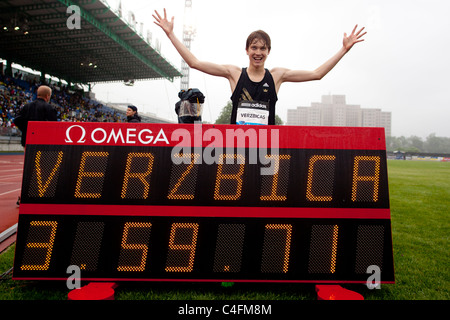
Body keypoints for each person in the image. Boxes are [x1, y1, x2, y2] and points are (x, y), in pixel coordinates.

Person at [153, 9, 366, 125]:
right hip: (237, 146)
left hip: (266, 149)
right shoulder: (234, 73)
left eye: (263, 48)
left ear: (268, 52)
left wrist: (343, 50)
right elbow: (195, 63)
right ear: (246, 50)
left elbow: (317, 74)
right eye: (254, 47)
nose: (258, 52)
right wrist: (170, 34)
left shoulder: (277, 76)